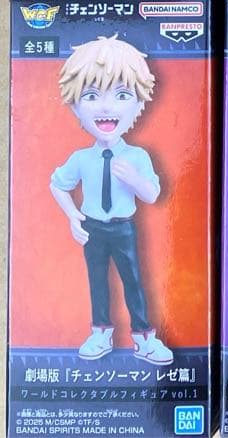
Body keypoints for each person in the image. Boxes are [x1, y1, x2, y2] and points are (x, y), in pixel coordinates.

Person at [50, 35, 173, 365]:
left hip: (122, 228)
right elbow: (58, 184)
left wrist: (134, 179)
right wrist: (73, 216)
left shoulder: (137, 156)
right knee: (97, 281)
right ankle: (100, 332)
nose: (106, 108)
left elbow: (152, 194)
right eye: (91, 96)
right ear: (75, 105)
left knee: (133, 280)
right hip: (92, 228)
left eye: (121, 95)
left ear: (139, 103)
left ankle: (144, 337)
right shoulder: (80, 158)